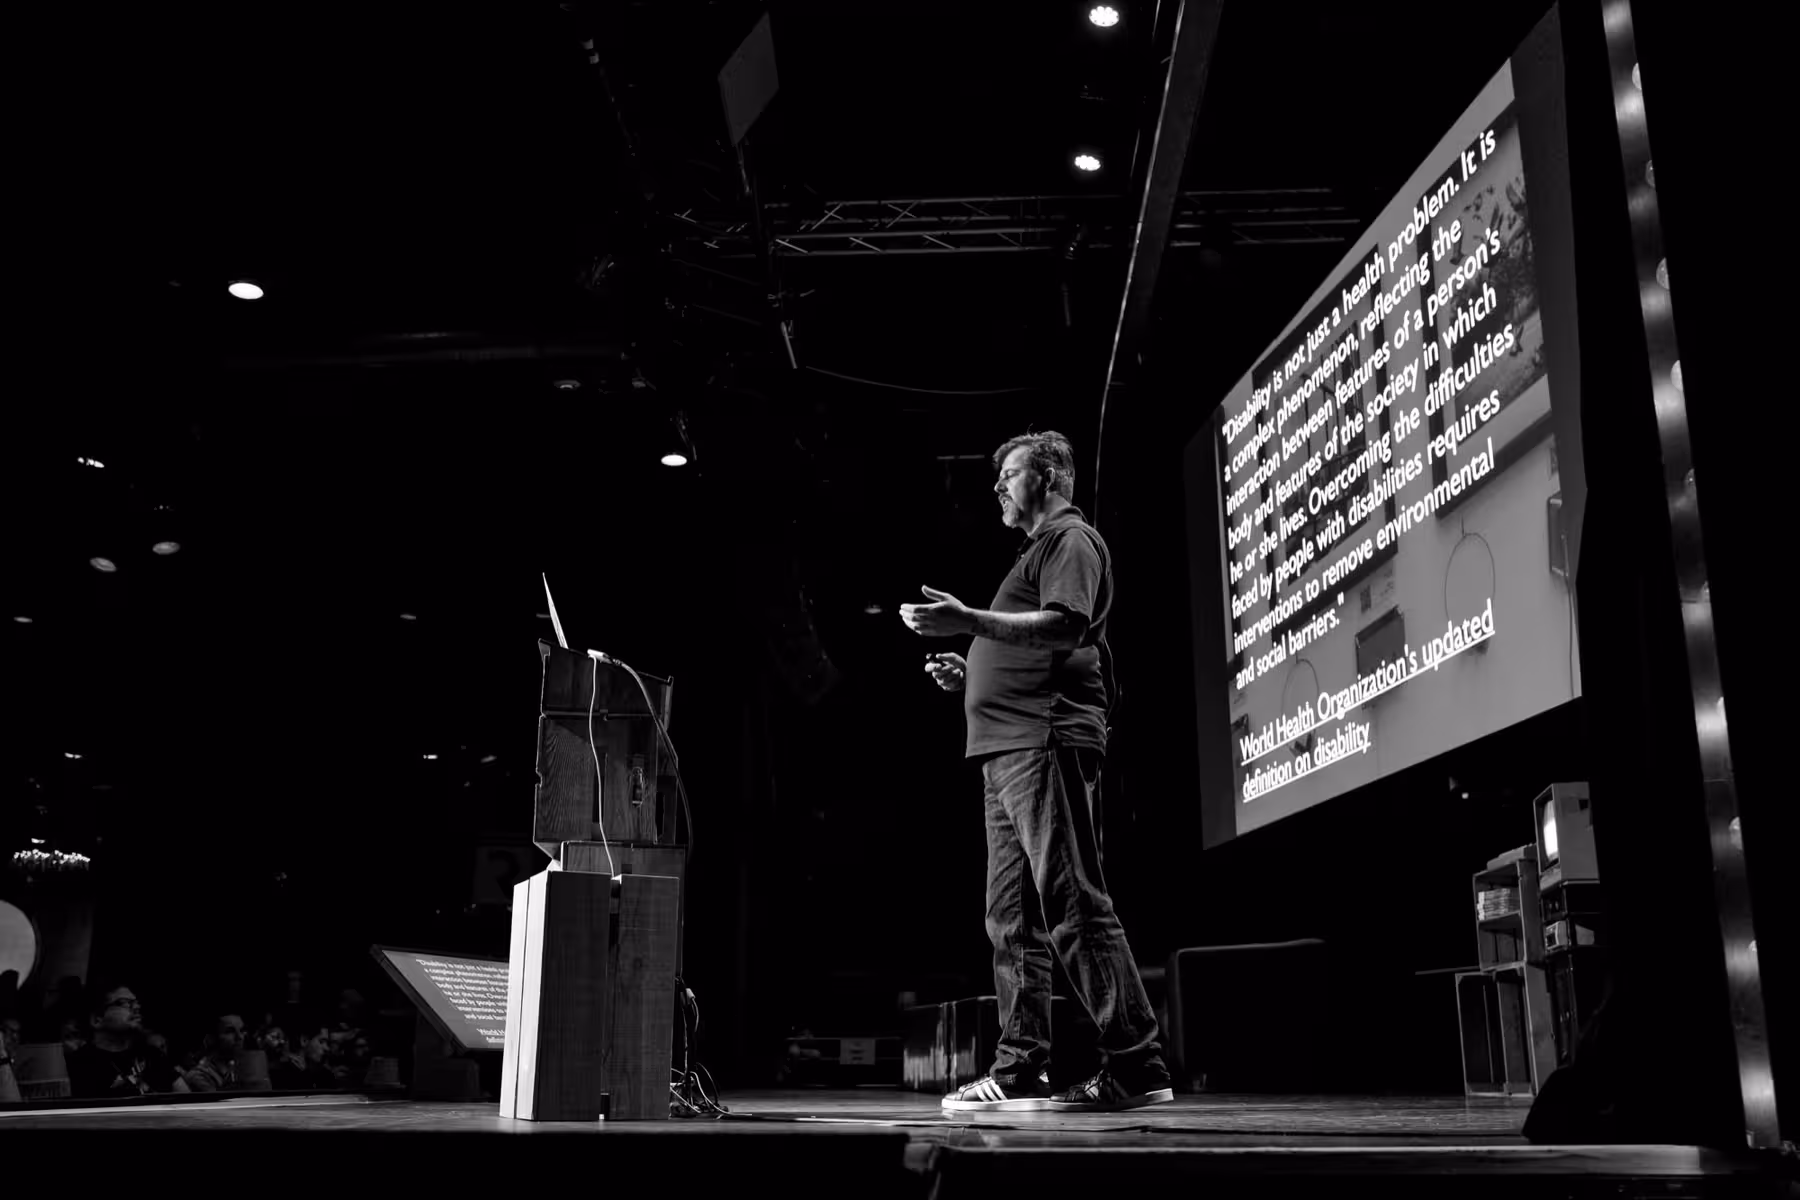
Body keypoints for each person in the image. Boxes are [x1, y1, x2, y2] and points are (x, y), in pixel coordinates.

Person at [900, 430, 1171, 1114]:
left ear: (1047, 478)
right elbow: (1031, 645)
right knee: (1012, 921)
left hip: (1042, 741)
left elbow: (1064, 627)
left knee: (1072, 902)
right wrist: (971, 674)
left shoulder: (1069, 540)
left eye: (1010, 474)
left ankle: (1136, 1063)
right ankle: (1021, 1067)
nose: (997, 486)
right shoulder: (1034, 552)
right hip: (1005, 748)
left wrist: (968, 621)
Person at [66, 985, 188, 1098]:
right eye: (125, 1003)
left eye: (136, 1002)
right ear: (97, 1019)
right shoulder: (80, 1065)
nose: (136, 1007)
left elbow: (186, 1099)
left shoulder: (152, 1054)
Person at [183, 1013, 247, 1092]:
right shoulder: (199, 1076)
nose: (240, 1037)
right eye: (229, 1031)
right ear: (211, 1038)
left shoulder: (238, 1069)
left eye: (242, 1030)